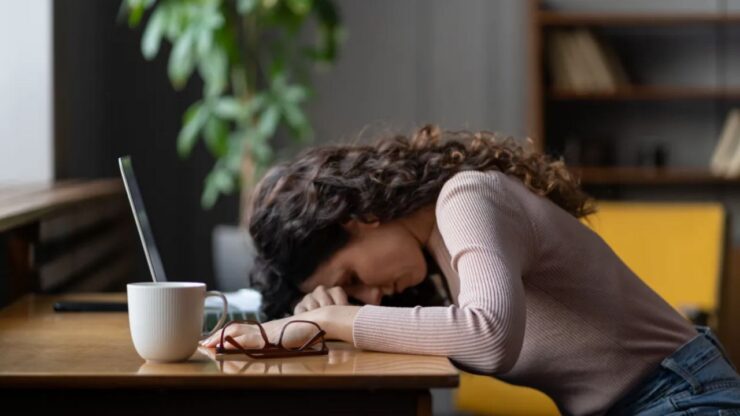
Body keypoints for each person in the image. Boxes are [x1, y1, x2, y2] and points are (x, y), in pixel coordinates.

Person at [202, 125, 740, 415]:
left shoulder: (465, 198)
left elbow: (489, 337)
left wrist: (337, 322)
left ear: (360, 217)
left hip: (684, 399)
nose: (364, 294)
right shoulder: (434, 258)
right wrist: (321, 321)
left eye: (348, 278)